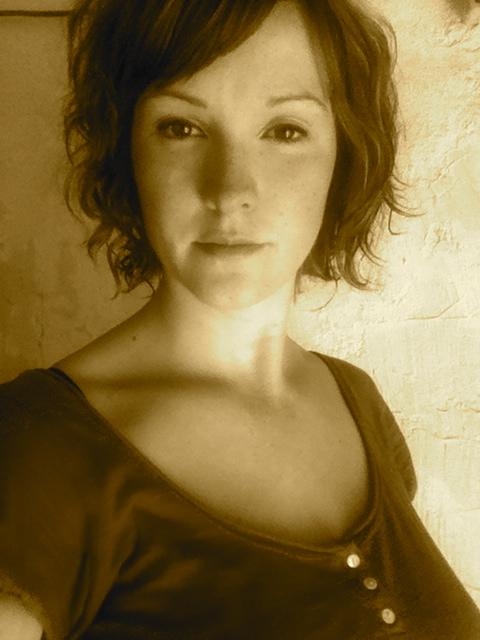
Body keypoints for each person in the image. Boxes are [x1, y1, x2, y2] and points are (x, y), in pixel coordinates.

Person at [0, 0, 479, 638]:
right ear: (127, 151)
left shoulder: (355, 399)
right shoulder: (36, 445)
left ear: (343, 154)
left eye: (285, 130)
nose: (229, 191)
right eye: (181, 127)